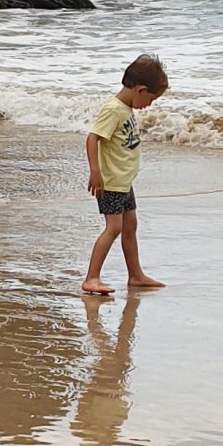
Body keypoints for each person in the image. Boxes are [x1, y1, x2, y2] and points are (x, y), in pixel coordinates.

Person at [81, 54, 168, 298]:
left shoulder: (126, 108)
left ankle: (136, 275)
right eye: (150, 100)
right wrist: (95, 172)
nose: (149, 105)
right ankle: (91, 278)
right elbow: (92, 138)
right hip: (110, 182)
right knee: (114, 228)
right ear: (140, 90)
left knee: (130, 226)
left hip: (123, 181)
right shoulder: (114, 110)